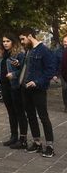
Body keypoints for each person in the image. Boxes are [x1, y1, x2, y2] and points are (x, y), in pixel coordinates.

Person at [18, 28, 55, 158]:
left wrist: (37, 82)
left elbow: (50, 70)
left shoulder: (44, 51)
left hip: (38, 89)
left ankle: (50, 146)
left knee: (43, 117)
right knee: (31, 116)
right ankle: (37, 142)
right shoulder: (28, 51)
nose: (22, 41)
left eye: (23, 38)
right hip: (25, 89)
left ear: (30, 36)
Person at [0, 33, 27, 149]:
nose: (5, 43)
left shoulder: (19, 54)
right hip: (4, 86)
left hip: (15, 86)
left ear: (13, 42)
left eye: (8, 41)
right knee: (11, 112)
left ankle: (23, 138)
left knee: (19, 112)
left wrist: (14, 74)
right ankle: (14, 136)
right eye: (4, 41)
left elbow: (24, 70)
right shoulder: (2, 55)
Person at [61, 36, 67, 113]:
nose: (65, 43)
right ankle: (66, 105)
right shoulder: (59, 51)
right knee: (65, 89)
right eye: (64, 41)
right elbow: (55, 61)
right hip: (63, 74)